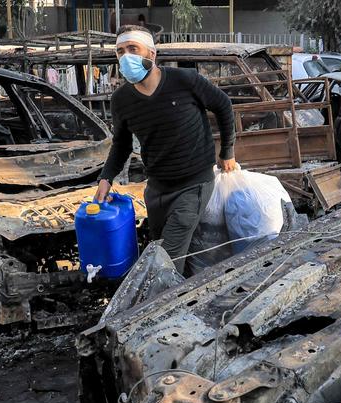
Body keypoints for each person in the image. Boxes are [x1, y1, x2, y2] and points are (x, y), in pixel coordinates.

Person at [96, 26, 237, 259]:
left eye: (133, 49)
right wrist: (106, 178)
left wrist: (228, 151)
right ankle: (189, 288)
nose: (126, 56)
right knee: (164, 248)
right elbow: (122, 144)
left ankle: (163, 295)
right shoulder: (121, 100)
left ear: (151, 54)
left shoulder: (185, 80)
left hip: (194, 184)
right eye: (120, 52)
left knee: (166, 259)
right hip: (157, 189)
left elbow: (223, 105)